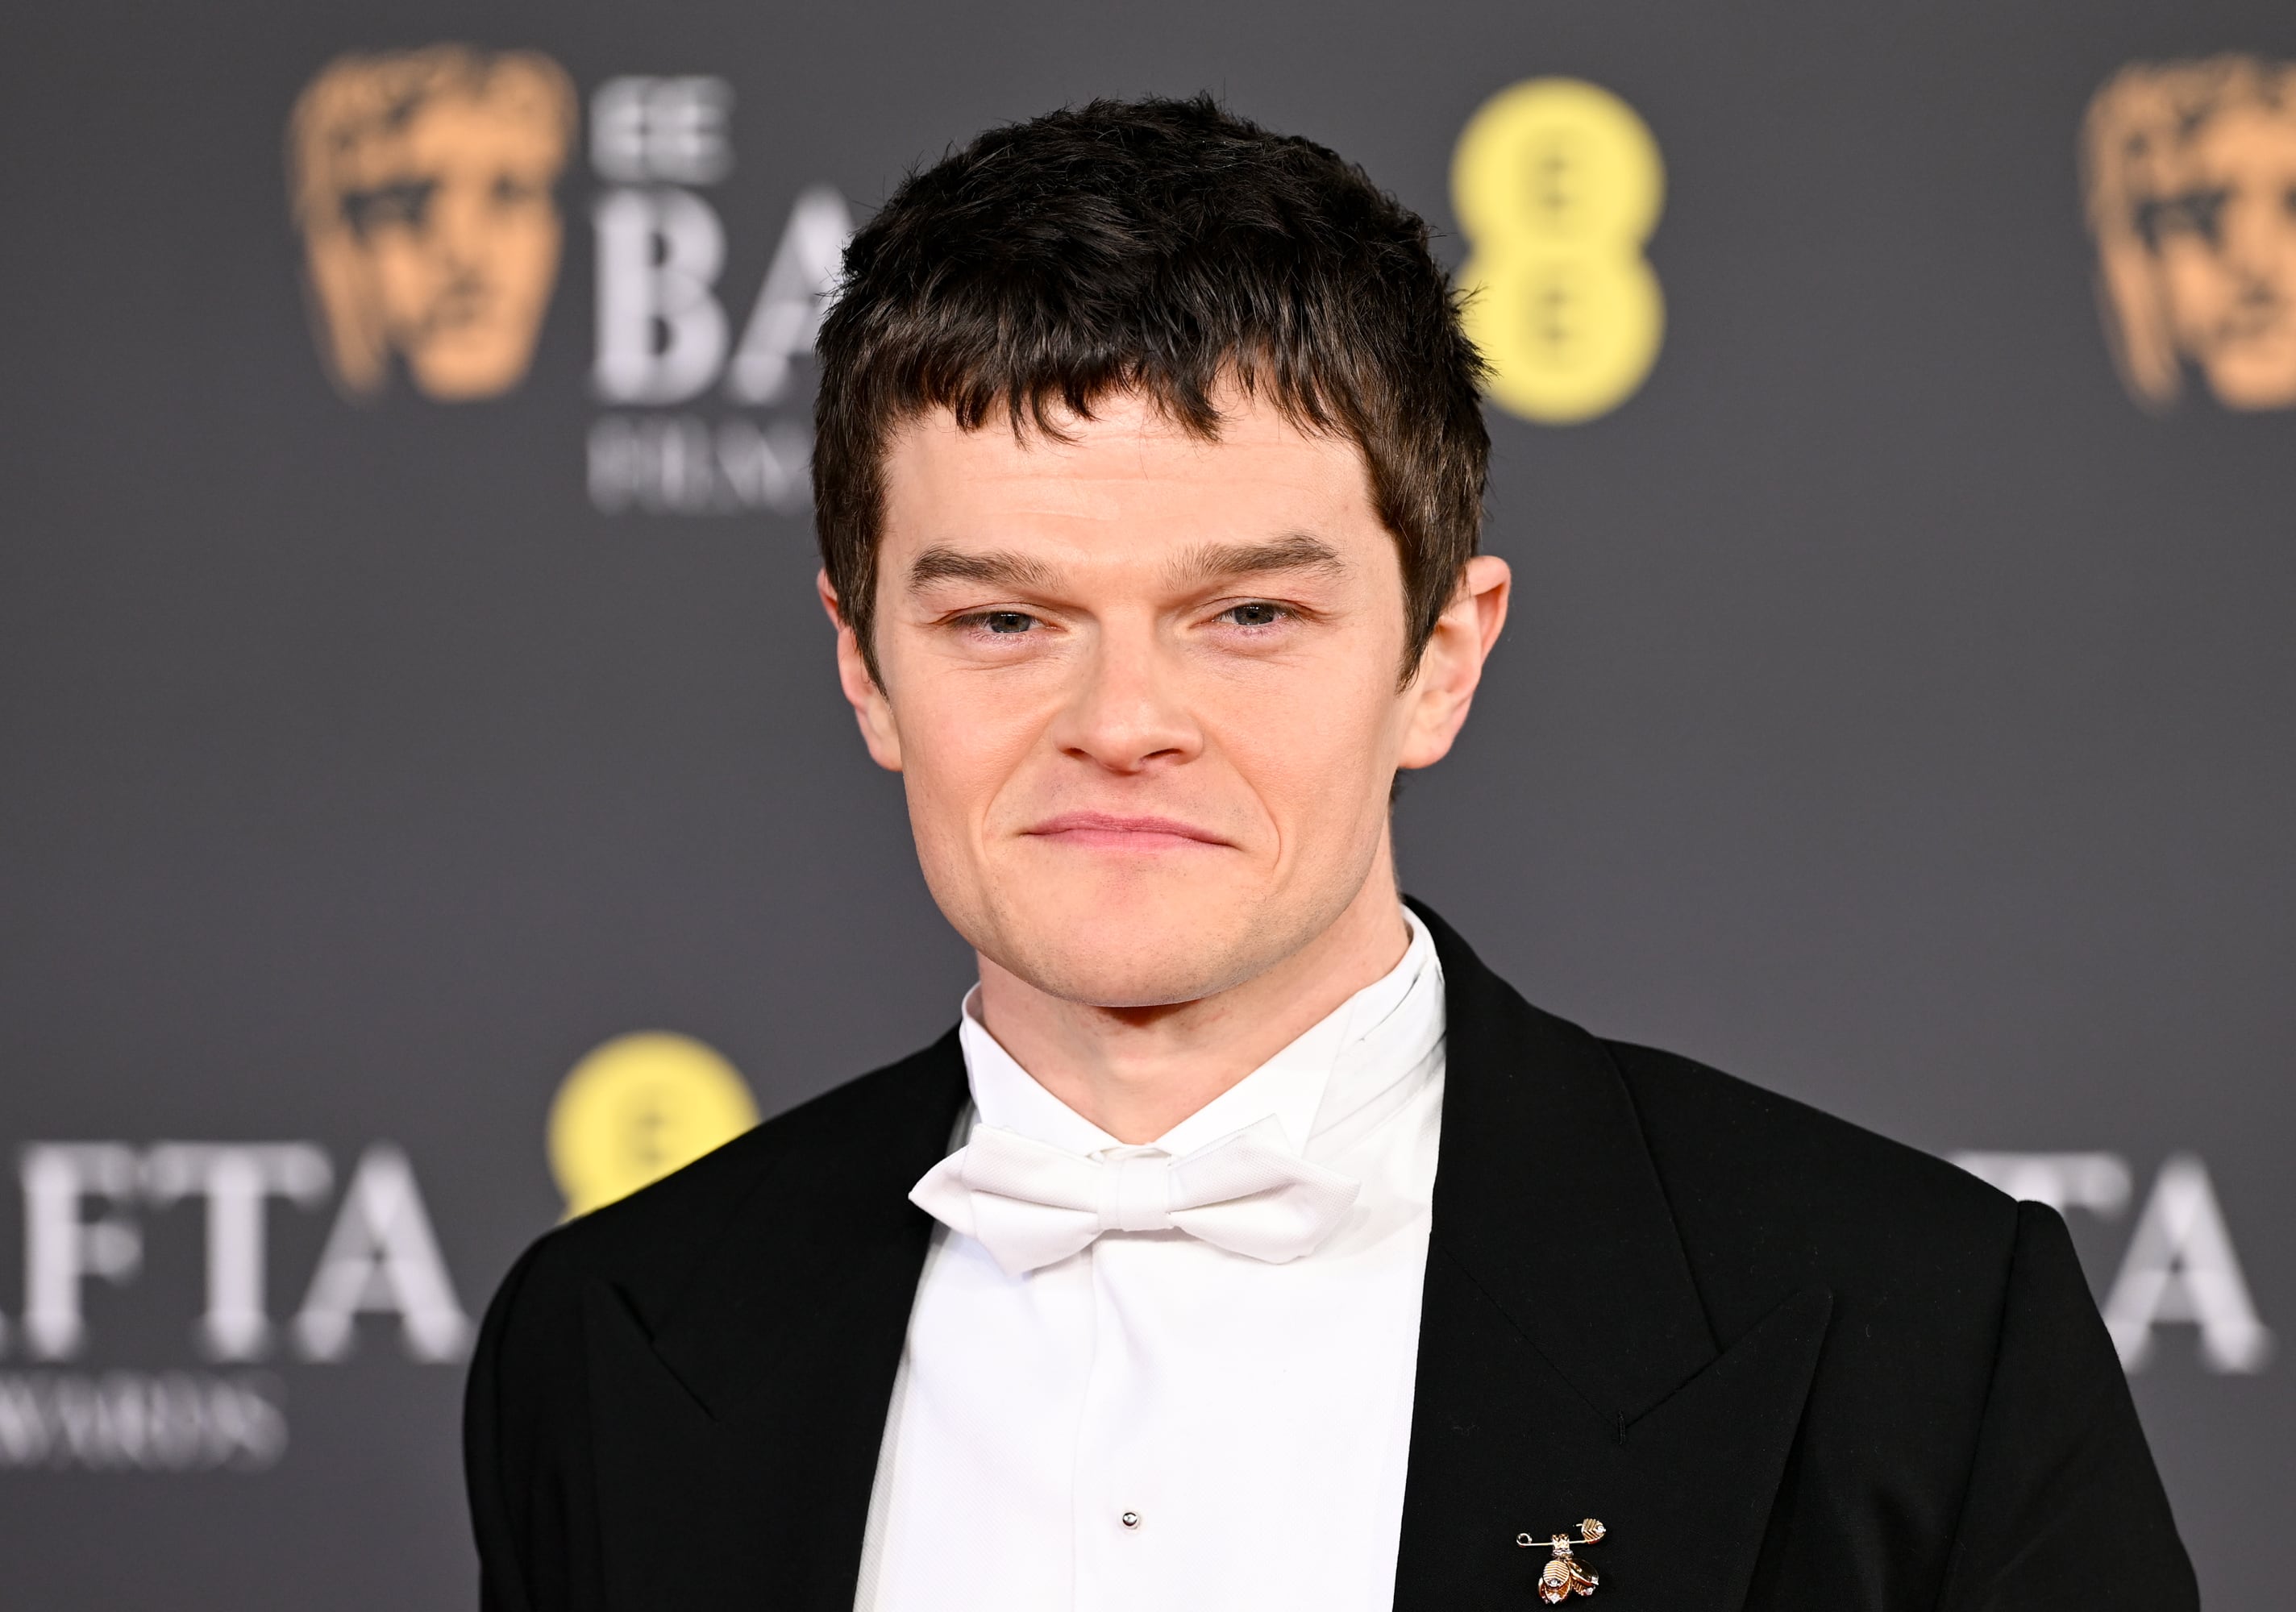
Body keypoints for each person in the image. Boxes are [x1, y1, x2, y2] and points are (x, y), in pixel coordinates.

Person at [464, 95, 2196, 1611]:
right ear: (865, 667)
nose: (1122, 716)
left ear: (1441, 654)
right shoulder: (611, 1341)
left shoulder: (1912, 1331)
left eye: (1250, 612)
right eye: (1005, 617)